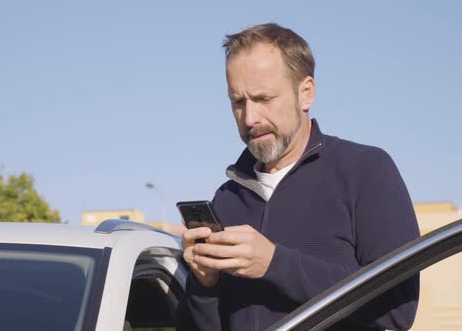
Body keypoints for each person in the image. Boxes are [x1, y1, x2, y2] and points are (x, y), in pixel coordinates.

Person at [176, 23, 420, 331]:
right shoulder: (227, 199)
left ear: (306, 93)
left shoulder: (366, 170)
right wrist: (204, 285)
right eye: (238, 102)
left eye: (263, 98)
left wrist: (275, 264)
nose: (250, 118)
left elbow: (398, 307)